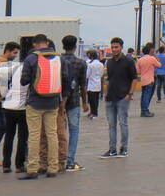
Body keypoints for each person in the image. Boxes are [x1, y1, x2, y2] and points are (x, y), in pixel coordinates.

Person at [18, 34, 62, 178]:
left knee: (34, 136)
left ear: (35, 44)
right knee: (52, 135)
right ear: (47, 43)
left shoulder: (31, 58)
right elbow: (65, 79)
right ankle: (53, 168)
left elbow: (24, 81)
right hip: (53, 102)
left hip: (35, 102)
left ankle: (32, 169)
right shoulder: (58, 58)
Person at [100, 37, 137, 158]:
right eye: (113, 47)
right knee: (111, 124)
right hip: (110, 97)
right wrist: (106, 93)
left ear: (121, 47)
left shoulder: (129, 61)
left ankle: (124, 148)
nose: (114, 49)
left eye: (116, 47)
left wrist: (130, 94)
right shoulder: (109, 62)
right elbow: (109, 79)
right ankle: (112, 149)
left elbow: (134, 78)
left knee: (123, 123)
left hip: (123, 97)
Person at [59, 35, 88, 171]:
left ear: (63, 46)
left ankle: (57, 159)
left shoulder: (57, 61)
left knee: (58, 131)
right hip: (74, 100)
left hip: (57, 101)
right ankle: (70, 161)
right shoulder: (81, 63)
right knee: (74, 131)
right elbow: (83, 85)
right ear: (75, 46)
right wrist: (85, 102)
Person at [0, 54, 28, 173]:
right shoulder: (32, 70)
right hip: (22, 108)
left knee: (9, 136)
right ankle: (19, 165)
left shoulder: (15, 68)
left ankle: (6, 165)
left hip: (8, 107)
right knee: (22, 138)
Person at [135, 44, 158, 117]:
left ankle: (143, 110)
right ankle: (145, 111)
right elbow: (159, 65)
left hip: (143, 80)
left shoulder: (140, 59)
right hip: (150, 79)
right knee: (147, 95)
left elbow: (138, 71)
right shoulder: (152, 58)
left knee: (143, 95)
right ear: (150, 50)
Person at [85, 50, 103, 118]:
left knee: (92, 100)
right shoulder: (101, 64)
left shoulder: (90, 65)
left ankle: (93, 113)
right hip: (98, 84)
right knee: (96, 100)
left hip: (91, 85)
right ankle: (94, 112)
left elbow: (87, 75)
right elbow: (101, 74)